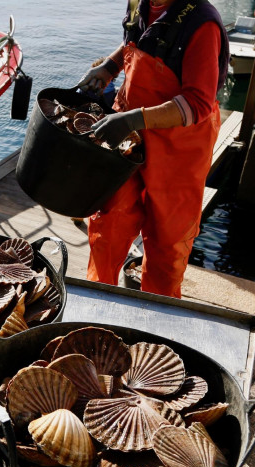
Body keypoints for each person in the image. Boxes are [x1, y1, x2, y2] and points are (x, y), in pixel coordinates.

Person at [77, 0, 228, 298]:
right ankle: (97, 305)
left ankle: (156, 323)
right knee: (108, 223)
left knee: (167, 247)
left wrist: (135, 119)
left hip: (180, 150)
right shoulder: (141, 4)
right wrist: (109, 67)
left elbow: (198, 103)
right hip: (130, 137)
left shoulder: (203, 23)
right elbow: (136, 42)